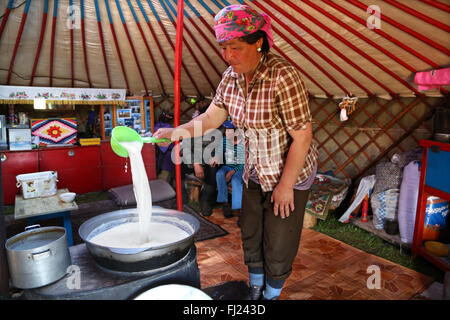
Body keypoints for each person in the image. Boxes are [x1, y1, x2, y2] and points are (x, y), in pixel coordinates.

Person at [153, 4, 318, 300]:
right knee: (251, 231)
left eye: (236, 47)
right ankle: (255, 288)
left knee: (279, 241)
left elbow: (302, 138)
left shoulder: (283, 76)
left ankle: (271, 296)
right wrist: (174, 132)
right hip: (254, 168)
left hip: (289, 171)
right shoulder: (231, 77)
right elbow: (209, 119)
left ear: (259, 43)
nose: (228, 56)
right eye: (224, 47)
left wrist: (285, 186)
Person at [211, 119, 245, 219]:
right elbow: (219, 151)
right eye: (226, 130)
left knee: (235, 181)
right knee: (219, 174)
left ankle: (240, 211)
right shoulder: (225, 140)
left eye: (230, 130)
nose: (227, 133)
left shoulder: (242, 143)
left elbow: (244, 163)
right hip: (228, 166)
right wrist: (216, 158)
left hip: (240, 168)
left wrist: (231, 173)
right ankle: (225, 203)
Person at [153, 111, 175, 183]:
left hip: (160, 153)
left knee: (161, 171)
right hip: (168, 154)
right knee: (166, 173)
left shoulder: (156, 126)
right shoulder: (169, 128)